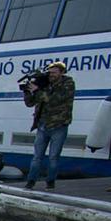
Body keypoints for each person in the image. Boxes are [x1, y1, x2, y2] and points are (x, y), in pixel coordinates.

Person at [24, 61, 75, 190]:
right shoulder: (44, 84)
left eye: (54, 72)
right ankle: (30, 181)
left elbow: (55, 99)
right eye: (50, 72)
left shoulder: (68, 83)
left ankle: (50, 182)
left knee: (53, 157)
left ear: (62, 73)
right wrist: (28, 92)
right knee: (37, 157)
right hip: (42, 125)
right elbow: (30, 103)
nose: (51, 75)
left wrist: (38, 91)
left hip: (59, 125)